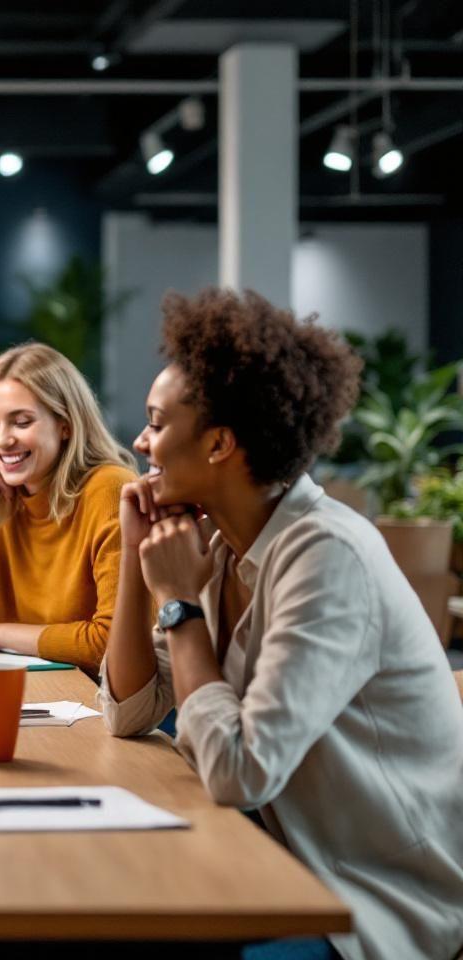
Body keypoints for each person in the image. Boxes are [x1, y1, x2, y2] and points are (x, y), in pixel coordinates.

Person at [100, 288, 463, 960]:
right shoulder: (217, 545)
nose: (140, 441)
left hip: (367, 904)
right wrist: (136, 554)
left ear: (218, 444)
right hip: (276, 858)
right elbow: (130, 711)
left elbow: (241, 772)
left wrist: (179, 606)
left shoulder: (327, 556)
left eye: (155, 422)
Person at [0, 342, 135, 675]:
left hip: (97, 706)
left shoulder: (110, 490)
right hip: (25, 693)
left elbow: (114, 643)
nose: (2, 440)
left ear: (65, 425)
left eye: (21, 422)